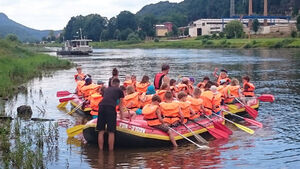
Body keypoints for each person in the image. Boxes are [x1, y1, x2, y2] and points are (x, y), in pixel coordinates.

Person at [97, 78, 125, 151]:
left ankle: (100, 151)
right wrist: (122, 117)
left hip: (101, 107)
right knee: (111, 132)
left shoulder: (106, 89)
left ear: (112, 83)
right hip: (110, 108)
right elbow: (121, 106)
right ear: (118, 84)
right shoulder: (120, 91)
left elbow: (105, 98)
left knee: (101, 131)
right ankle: (111, 152)